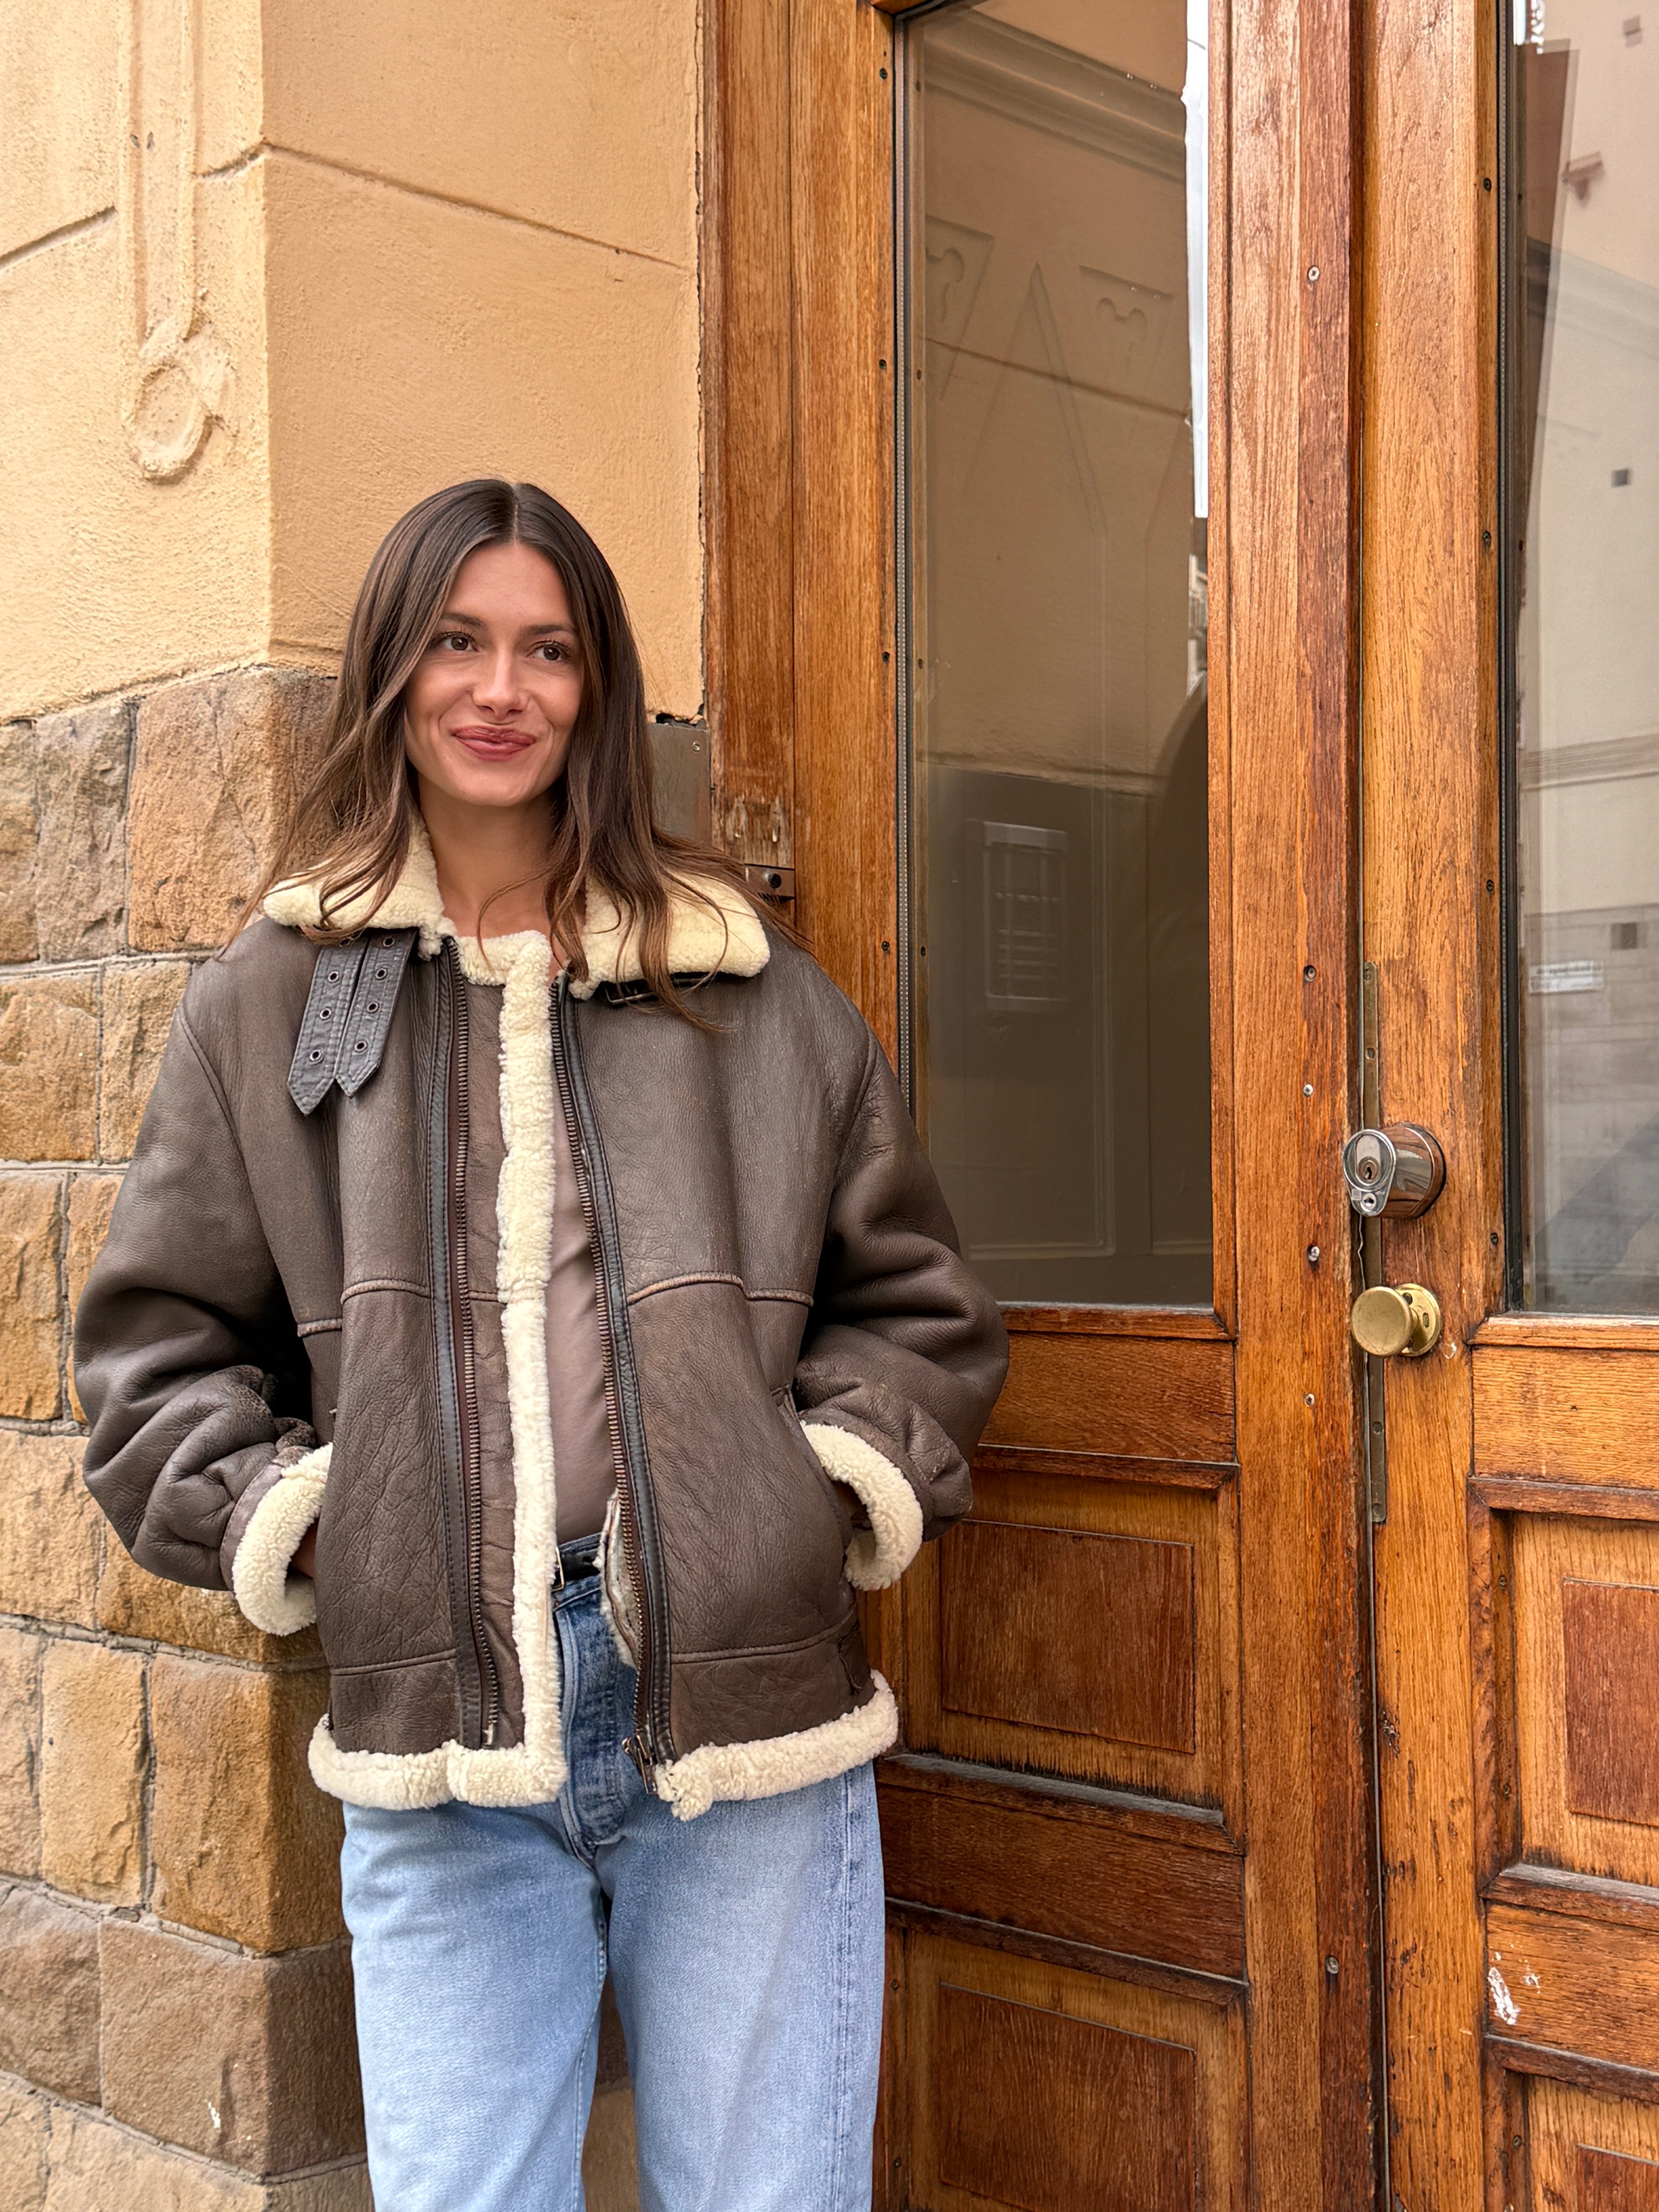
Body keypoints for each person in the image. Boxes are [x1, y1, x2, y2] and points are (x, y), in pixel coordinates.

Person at [73, 479, 1007, 2212]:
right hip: (437, 1742)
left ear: (597, 688)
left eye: (547, 650)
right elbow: (152, 1362)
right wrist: (321, 1526)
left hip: (747, 1726)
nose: (501, 689)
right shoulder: (275, 999)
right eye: (458, 641)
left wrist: (798, 1500)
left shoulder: (745, 991)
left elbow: (917, 1308)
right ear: (394, 671)